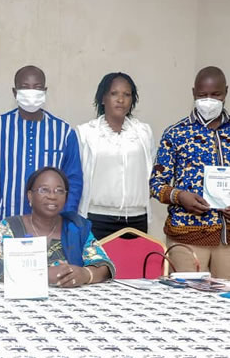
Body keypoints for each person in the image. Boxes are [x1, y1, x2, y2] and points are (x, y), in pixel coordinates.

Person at [0, 65, 83, 244]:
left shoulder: (64, 131)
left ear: (45, 91)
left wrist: (67, 219)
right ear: (14, 92)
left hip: (52, 226)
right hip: (7, 221)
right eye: (25, 87)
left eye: (37, 87)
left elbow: (73, 180)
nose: (31, 92)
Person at [150, 66, 230, 278]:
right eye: (203, 95)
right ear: (194, 93)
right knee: (186, 295)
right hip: (186, 236)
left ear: (226, 92)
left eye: (216, 94)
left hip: (227, 241)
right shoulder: (176, 133)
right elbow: (156, 184)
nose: (209, 100)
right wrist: (180, 196)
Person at [0, 167, 114, 286]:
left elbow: (104, 265)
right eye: (44, 190)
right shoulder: (10, 227)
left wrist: (85, 274)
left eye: (59, 191)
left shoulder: (76, 227)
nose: (52, 196)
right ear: (30, 196)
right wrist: (42, 275)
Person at [77, 72, 155, 240]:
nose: (120, 99)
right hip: (97, 218)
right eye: (114, 94)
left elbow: (151, 173)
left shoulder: (143, 132)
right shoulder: (86, 133)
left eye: (127, 94)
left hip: (137, 218)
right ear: (103, 98)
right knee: (97, 258)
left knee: (135, 258)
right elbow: (77, 177)